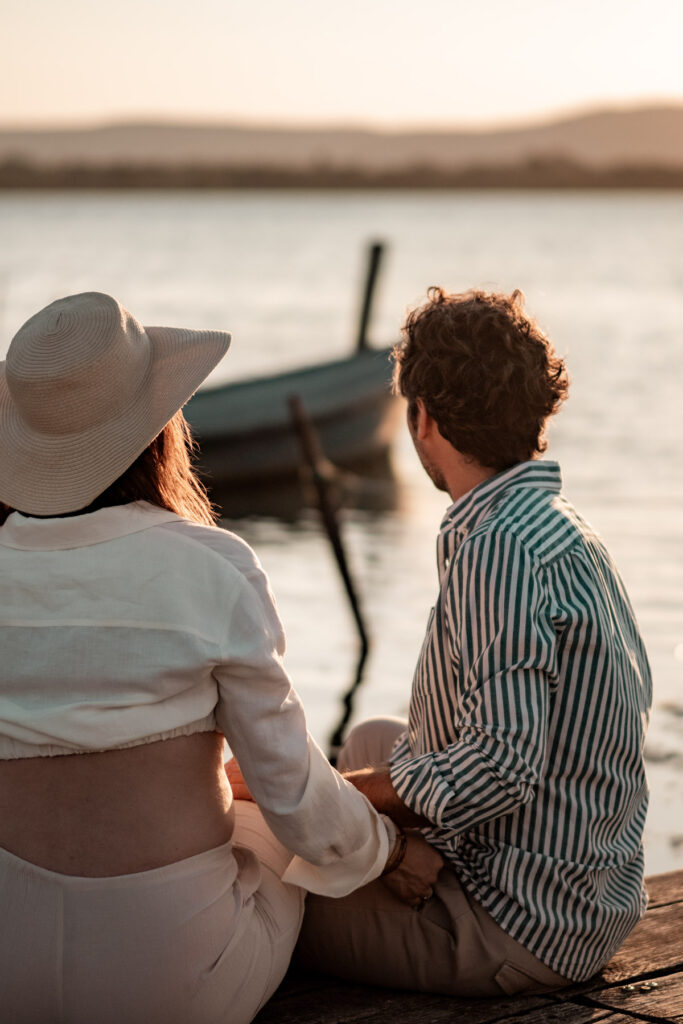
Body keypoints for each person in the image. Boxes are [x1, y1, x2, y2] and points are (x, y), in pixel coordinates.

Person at [0, 291, 441, 1024]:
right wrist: (390, 852)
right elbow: (295, 796)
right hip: (169, 991)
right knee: (268, 822)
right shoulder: (209, 567)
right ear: (156, 428)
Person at [295, 287, 652, 997]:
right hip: (587, 892)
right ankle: (411, 852)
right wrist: (406, 834)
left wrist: (346, 801)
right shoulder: (556, 525)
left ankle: (410, 863)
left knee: (273, 894)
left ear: (422, 418)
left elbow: (498, 765)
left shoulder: (495, 550)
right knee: (370, 734)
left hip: (521, 925)